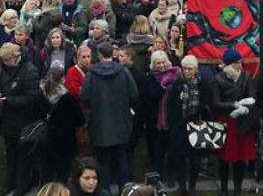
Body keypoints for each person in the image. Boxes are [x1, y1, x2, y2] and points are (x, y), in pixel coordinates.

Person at [80, 42, 138, 194]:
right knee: (122, 160)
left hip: (99, 124)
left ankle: (103, 192)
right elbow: (134, 94)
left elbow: (84, 97)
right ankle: (126, 192)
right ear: (112, 53)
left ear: (98, 55)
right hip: (121, 122)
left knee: (102, 162)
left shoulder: (91, 74)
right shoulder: (124, 72)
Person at [210, 48, 258, 196]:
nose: (240, 65)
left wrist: (245, 105)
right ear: (229, 64)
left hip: (242, 121)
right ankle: (224, 189)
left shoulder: (246, 76)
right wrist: (234, 105)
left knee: (240, 158)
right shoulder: (218, 79)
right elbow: (215, 103)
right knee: (224, 157)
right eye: (237, 63)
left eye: (240, 62)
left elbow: (252, 96)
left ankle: (237, 189)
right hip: (225, 121)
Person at [0, 42, 41, 196]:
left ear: (16, 57)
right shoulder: (5, 69)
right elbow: (0, 85)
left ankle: (23, 185)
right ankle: (10, 182)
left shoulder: (30, 71)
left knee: (23, 156)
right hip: (8, 121)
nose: (5, 63)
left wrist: (8, 100)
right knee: (10, 154)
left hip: (24, 122)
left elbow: (32, 98)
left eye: (7, 60)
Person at [165, 55, 212, 196]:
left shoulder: (202, 84)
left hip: (196, 124)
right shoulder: (178, 83)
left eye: (190, 69)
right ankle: (181, 185)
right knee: (179, 157)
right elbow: (170, 104)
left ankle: (192, 185)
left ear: (196, 69)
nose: (187, 71)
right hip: (179, 125)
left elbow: (206, 103)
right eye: (185, 68)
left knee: (195, 158)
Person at [39, 64, 85, 185]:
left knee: (48, 173)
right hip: (66, 141)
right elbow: (80, 119)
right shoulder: (68, 98)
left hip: (47, 138)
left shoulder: (42, 93)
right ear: (63, 78)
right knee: (63, 173)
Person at [145, 50, 180, 185]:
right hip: (157, 120)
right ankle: (158, 178)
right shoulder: (151, 78)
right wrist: (162, 85)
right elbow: (152, 95)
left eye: (163, 62)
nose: (161, 65)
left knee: (172, 151)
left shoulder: (176, 74)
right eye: (158, 63)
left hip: (172, 118)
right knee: (158, 152)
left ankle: (171, 177)